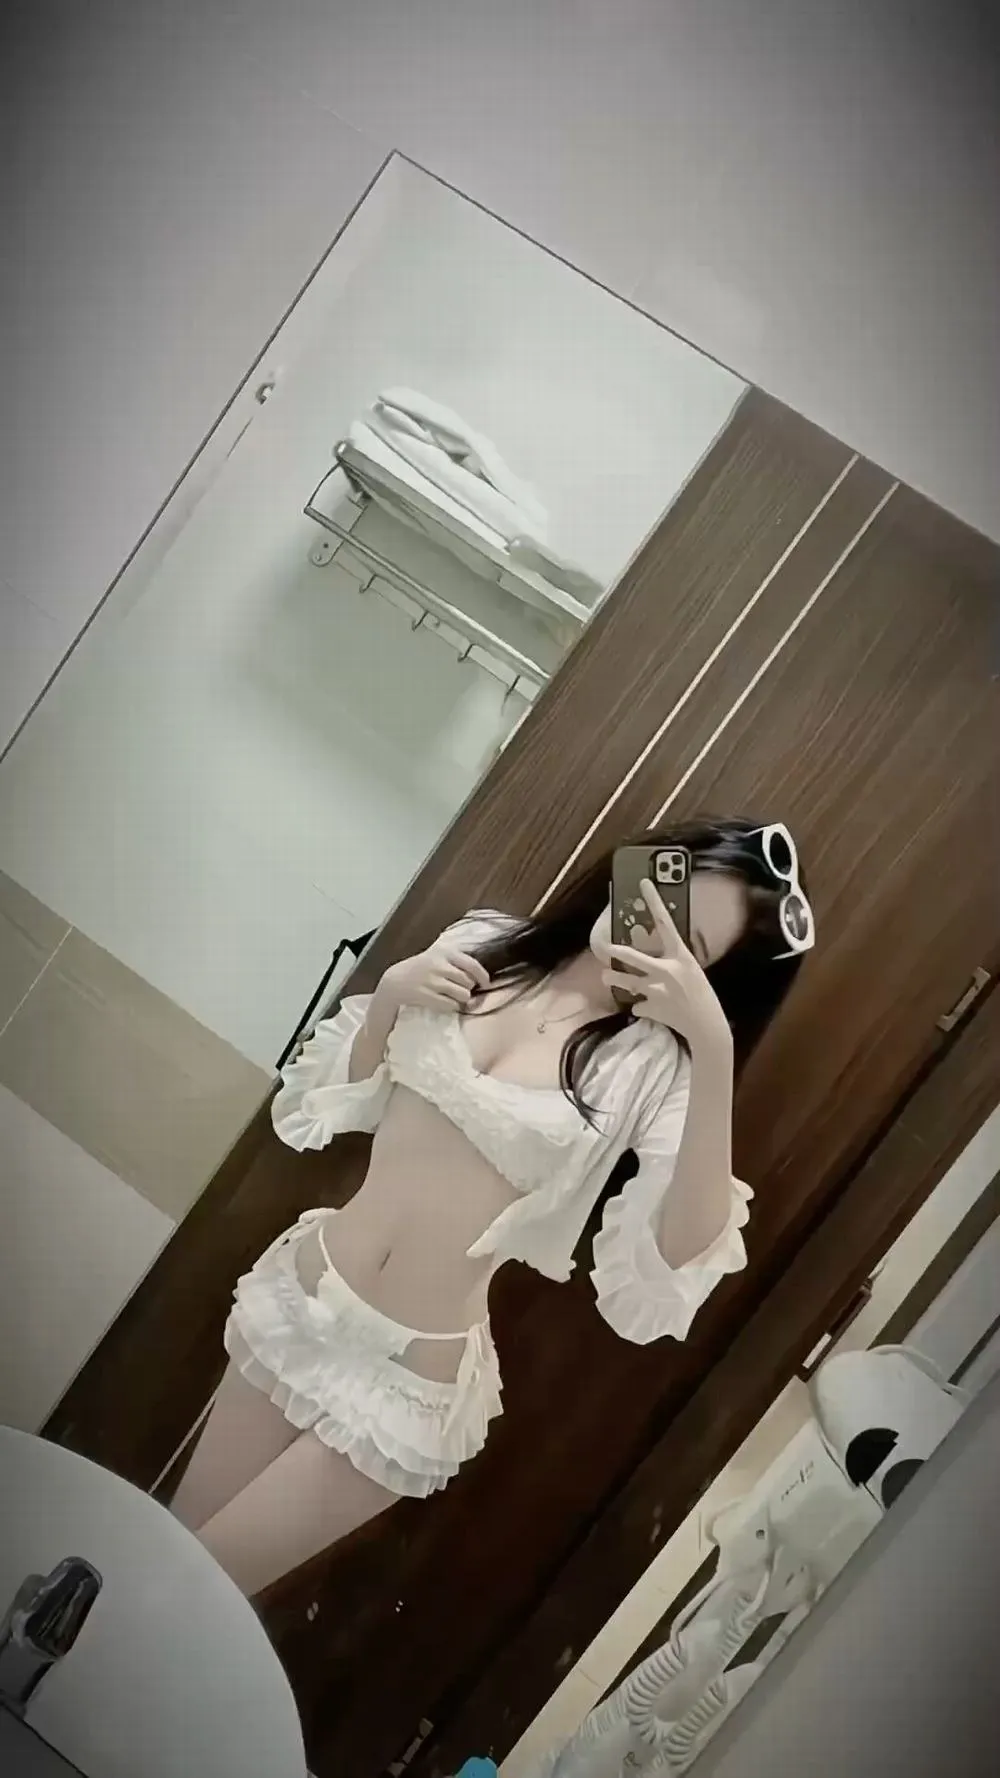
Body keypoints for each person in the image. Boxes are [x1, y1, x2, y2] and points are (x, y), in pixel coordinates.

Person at [171, 817, 814, 1596]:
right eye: (664, 892)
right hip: (305, 1296)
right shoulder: (487, 943)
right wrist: (392, 995)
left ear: (702, 981)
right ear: (642, 864)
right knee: (163, 1549)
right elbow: (336, 1107)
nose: (652, 927)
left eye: (689, 945)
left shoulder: (654, 1068)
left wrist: (713, 1047)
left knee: (198, 1589)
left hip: (410, 1377)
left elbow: (680, 1251)